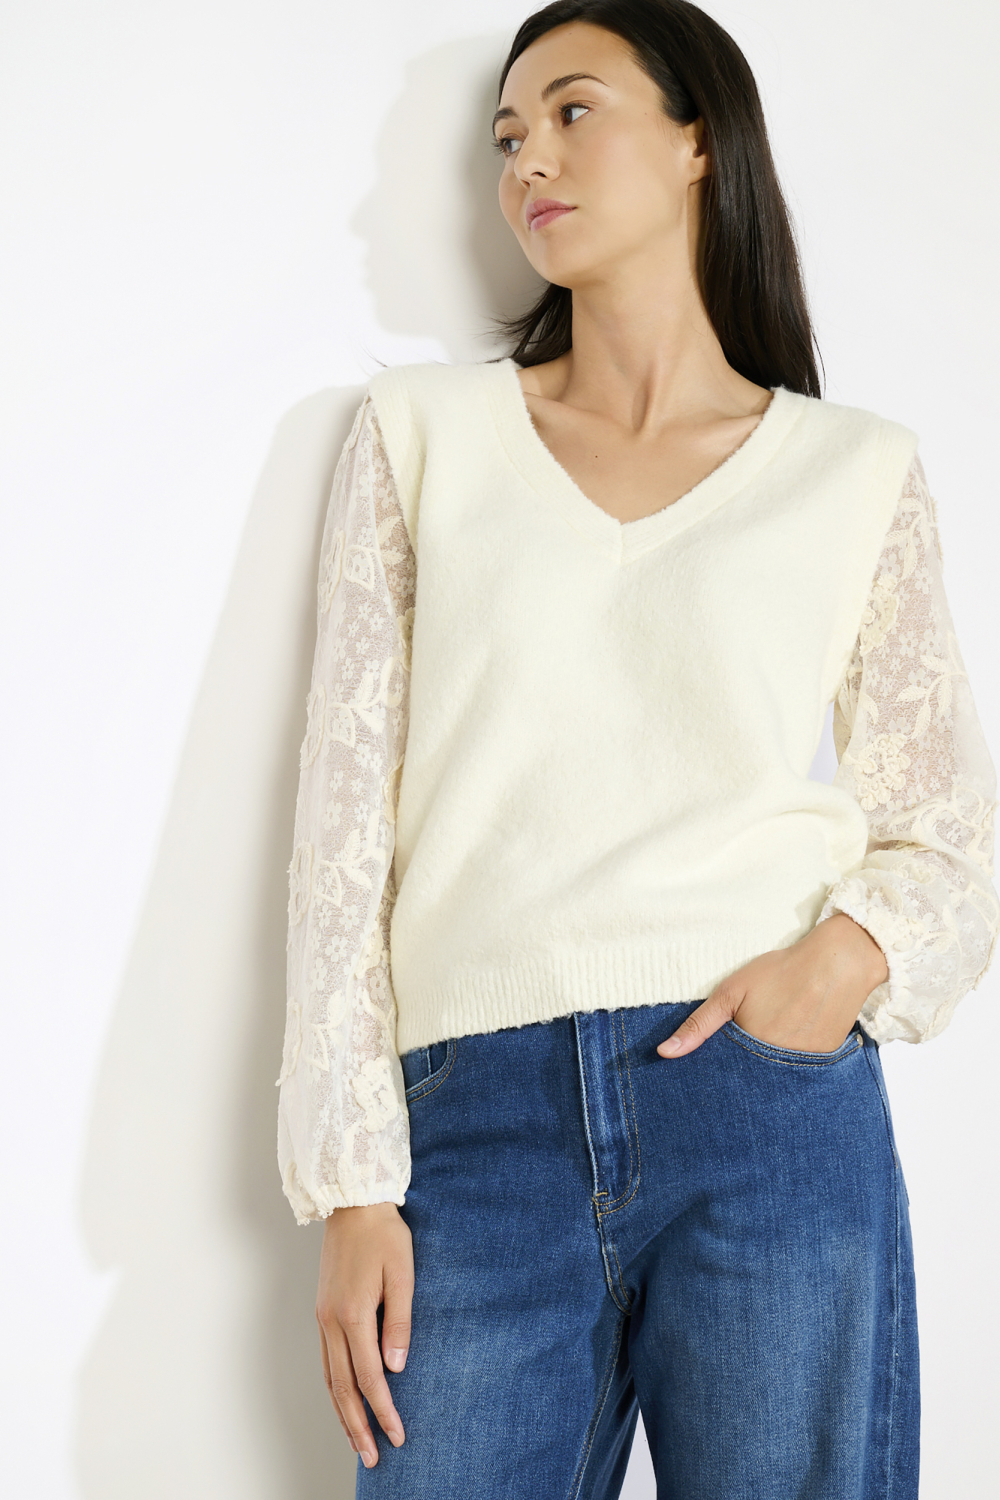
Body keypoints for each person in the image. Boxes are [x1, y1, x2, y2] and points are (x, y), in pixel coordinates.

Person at [276, 2, 999, 1495]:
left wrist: (834, 972)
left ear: (696, 141)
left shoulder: (854, 471)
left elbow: (948, 831)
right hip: (472, 1132)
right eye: (506, 137)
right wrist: (350, 1183)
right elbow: (342, 833)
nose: (527, 161)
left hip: (765, 1106)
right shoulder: (419, 437)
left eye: (571, 111)